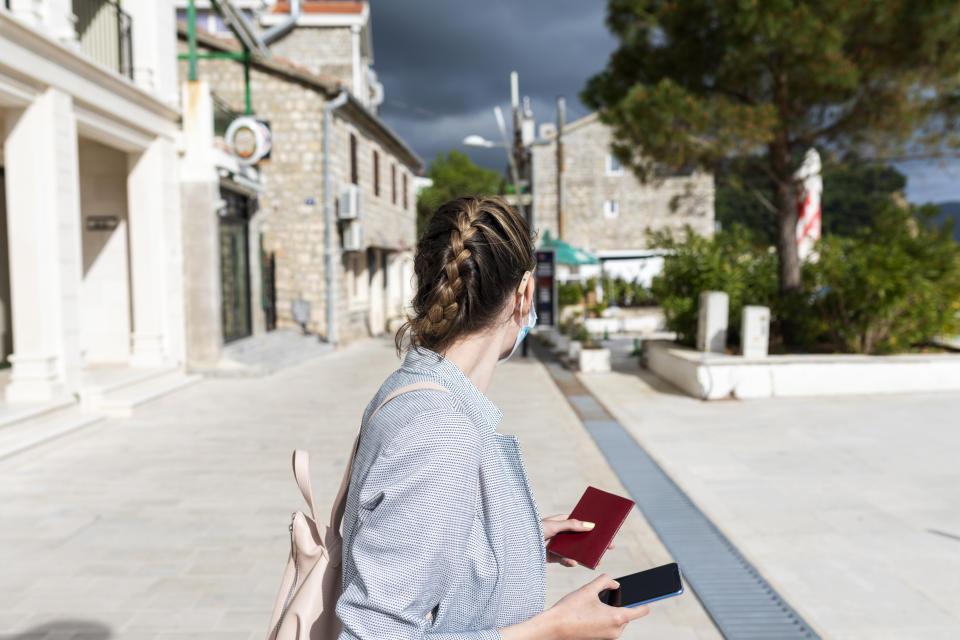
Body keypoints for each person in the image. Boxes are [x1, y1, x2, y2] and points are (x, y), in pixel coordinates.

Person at [336, 195, 650, 639]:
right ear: (525, 292)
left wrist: (513, 541)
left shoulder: (415, 387)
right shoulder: (440, 430)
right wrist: (551, 629)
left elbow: (421, 549)